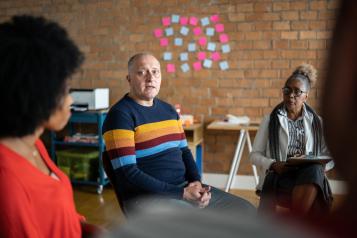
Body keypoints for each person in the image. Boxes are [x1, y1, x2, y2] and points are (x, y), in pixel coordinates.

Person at [102, 52, 255, 216]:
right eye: (142, 72)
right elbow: (128, 173)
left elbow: (184, 152)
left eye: (155, 71)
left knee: (246, 210)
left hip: (182, 189)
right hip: (147, 198)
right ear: (129, 79)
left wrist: (196, 183)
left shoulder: (169, 110)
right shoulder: (120, 115)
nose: (150, 78)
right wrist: (181, 194)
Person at [0, 15, 98, 237]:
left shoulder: (34, 144)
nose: (70, 100)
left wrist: (88, 229)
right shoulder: (7, 183)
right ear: (35, 93)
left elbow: (55, 216)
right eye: (64, 90)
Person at [249, 63, 334, 216]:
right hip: (280, 176)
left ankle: (295, 223)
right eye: (287, 90)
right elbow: (254, 155)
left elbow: (331, 158)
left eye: (297, 92)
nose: (291, 96)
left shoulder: (317, 122)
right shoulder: (270, 120)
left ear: (306, 96)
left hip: (308, 176)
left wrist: (321, 166)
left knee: (314, 170)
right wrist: (273, 164)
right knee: (313, 178)